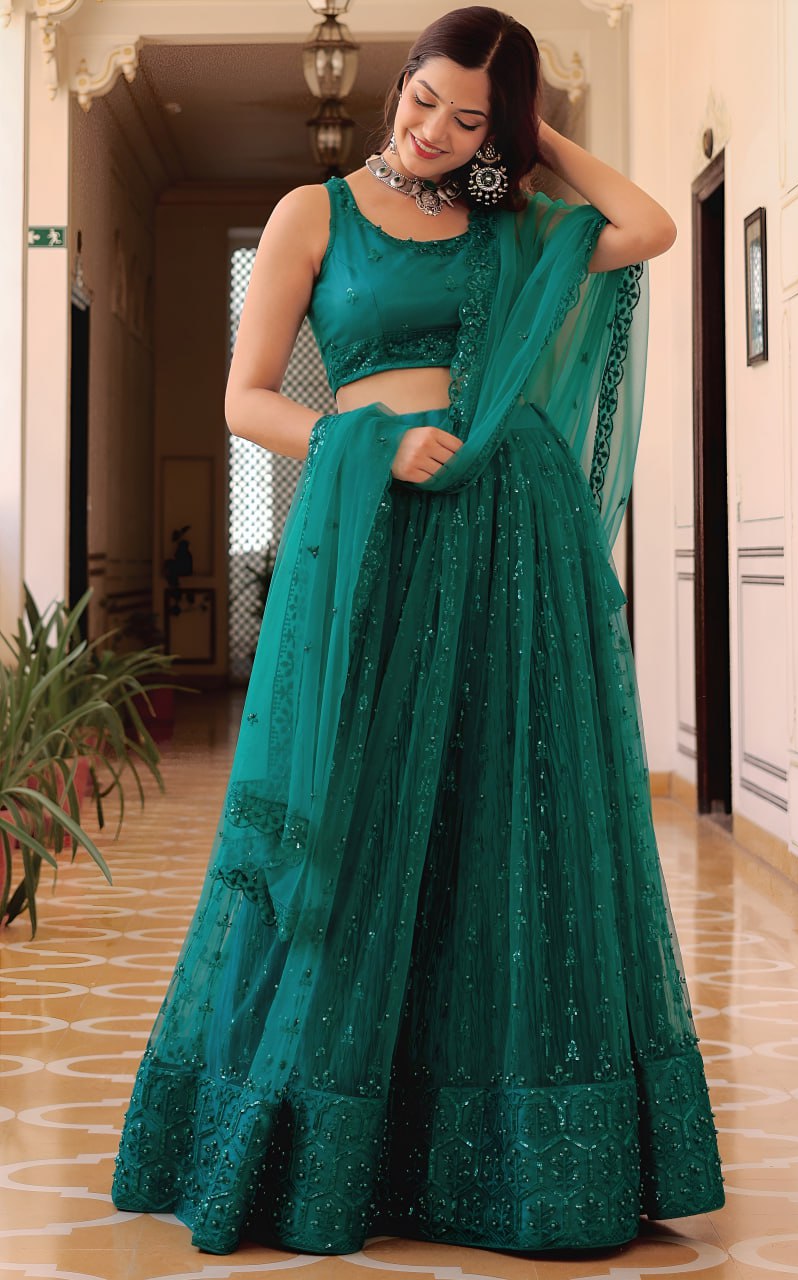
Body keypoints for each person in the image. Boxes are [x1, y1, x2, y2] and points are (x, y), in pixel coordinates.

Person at [111, 5, 725, 1257]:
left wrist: (536, 146)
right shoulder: (312, 215)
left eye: (470, 118)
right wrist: (372, 443)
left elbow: (651, 227)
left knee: (507, 819)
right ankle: (312, 1134)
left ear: (503, 130)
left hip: (513, 539)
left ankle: (511, 1155)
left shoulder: (516, 221)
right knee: (353, 818)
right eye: (424, 98)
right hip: (375, 538)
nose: (435, 130)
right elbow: (245, 400)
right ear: (396, 82)